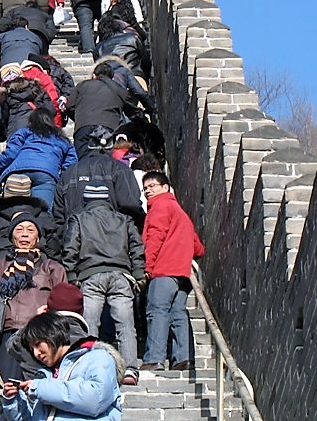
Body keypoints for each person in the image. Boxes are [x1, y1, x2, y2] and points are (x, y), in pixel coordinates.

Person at [62, 184, 145, 386]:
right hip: (121, 275)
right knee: (125, 324)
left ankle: (90, 367)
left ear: (87, 201)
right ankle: (130, 370)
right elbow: (136, 246)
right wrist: (138, 273)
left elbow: (70, 247)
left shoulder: (80, 219)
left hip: (91, 274)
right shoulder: (124, 219)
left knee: (90, 323)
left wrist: (72, 274)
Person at [0, 214, 67, 382]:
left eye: (30, 230)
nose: (25, 234)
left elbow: (63, 303)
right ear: (12, 237)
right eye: (19, 230)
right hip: (8, 335)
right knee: (10, 387)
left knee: (40, 388)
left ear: (38, 237)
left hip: (43, 336)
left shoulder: (52, 267)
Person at [1, 312, 122, 421]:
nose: (36, 353)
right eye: (32, 349)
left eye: (38, 344)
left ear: (52, 334)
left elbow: (96, 399)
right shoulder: (45, 376)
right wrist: (13, 401)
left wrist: (40, 387)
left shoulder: (98, 357)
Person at [139, 171, 205, 371]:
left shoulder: (160, 207)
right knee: (178, 313)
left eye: (152, 186)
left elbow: (155, 237)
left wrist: (147, 267)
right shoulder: (180, 212)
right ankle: (183, 358)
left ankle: (154, 358)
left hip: (164, 270)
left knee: (157, 311)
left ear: (165, 187)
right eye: (145, 188)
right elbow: (198, 248)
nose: (148, 190)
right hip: (182, 274)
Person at [53, 125, 145, 243]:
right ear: (111, 147)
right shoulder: (120, 169)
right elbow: (130, 205)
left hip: (75, 243)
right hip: (113, 243)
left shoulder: (68, 173)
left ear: (90, 146)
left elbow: (58, 216)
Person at [0, 174, 59, 275]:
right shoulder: (43, 215)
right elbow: (54, 249)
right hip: (38, 268)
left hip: (2, 268)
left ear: (6, 192)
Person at [0, 108, 77, 210]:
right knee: (43, 213)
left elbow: (10, 154)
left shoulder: (24, 132)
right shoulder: (62, 139)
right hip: (46, 174)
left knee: (14, 211)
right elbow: (70, 165)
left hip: (19, 172)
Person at [67, 62, 132, 158]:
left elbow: (69, 106)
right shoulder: (118, 89)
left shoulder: (81, 85)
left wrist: (80, 118)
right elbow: (132, 109)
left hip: (83, 127)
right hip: (108, 127)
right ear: (112, 78)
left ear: (93, 75)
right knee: (105, 162)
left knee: (82, 161)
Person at [93, 16, 150, 82]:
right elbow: (146, 61)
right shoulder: (133, 38)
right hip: (135, 76)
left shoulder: (98, 48)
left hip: (113, 82)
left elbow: (99, 71)